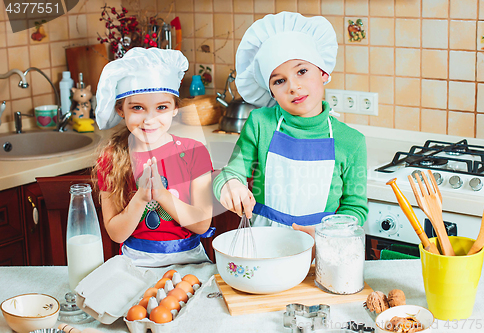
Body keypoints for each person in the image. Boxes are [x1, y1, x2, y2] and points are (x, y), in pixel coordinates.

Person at [212, 12, 368, 239]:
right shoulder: (260, 124)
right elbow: (230, 173)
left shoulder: (352, 141)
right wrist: (230, 185)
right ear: (270, 91)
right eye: (279, 80)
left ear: (323, 72)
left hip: (321, 248)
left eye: (302, 71)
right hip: (265, 244)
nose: (293, 87)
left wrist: (329, 233)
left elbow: (355, 209)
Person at [93, 48, 214, 267]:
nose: (150, 119)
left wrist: (161, 194)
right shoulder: (112, 158)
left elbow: (202, 224)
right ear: (121, 110)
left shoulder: (195, 151)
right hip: (135, 264)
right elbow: (116, 234)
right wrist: (140, 198)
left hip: (189, 263)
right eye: (137, 108)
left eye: (161, 107)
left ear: (175, 108)